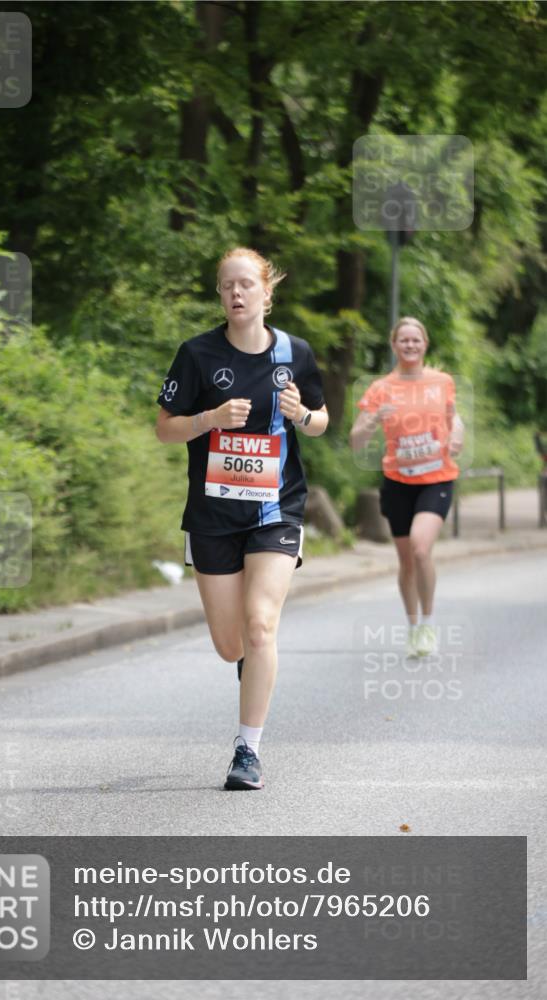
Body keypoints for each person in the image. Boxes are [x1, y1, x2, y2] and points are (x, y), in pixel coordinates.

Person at [155, 248, 328, 790]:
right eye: (226, 285)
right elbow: (164, 427)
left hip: (276, 509)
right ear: (220, 294)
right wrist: (208, 418)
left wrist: (302, 414)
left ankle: (247, 751)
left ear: (265, 293)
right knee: (231, 645)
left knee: (260, 625)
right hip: (211, 515)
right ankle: (248, 663)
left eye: (246, 284)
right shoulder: (198, 354)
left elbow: (321, 420)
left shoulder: (295, 353)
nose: (236, 293)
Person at [350, 317, 464, 657]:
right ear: (394, 345)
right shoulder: (381, 388)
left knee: (420, 548)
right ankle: (413, 626)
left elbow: (453, 415)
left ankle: (428, 625)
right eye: (404, 340)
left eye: (416, 340)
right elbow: (356, 441)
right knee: (407, 563)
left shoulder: (442, 382)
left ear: (425, 344)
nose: (410, 345)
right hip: (398, 482)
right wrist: (373, 418)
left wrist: (457, 431)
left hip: (437, 477)